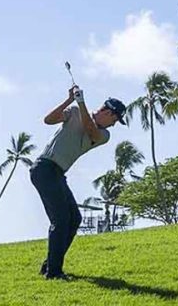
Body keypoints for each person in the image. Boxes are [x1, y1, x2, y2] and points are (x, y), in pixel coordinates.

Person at [30, 85, 126, 279]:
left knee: (74, 219)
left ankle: (49, 266)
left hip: (57, 174)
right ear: (107, 112)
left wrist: (81, 101)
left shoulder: (104, 135)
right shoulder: (74, 111)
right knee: (61, 220)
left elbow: (90, 129)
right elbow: (48, 120)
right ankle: (54, 272)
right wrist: (70, 100)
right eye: (115, 119)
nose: (114, 124)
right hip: (44, 169)